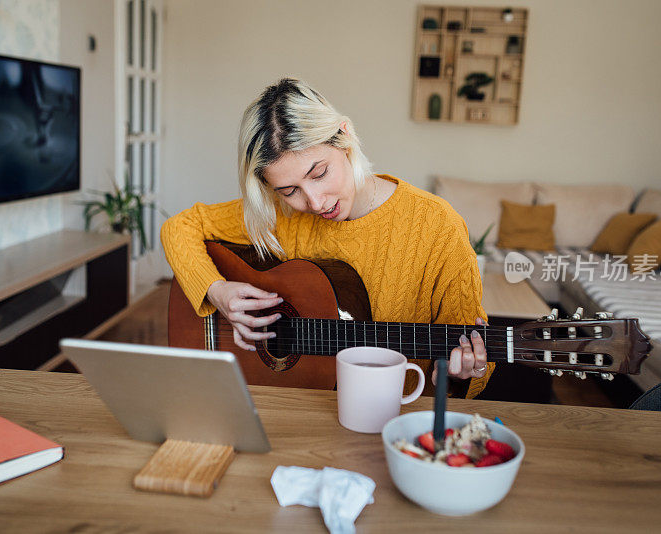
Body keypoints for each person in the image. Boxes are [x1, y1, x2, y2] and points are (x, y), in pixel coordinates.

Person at [161, 77, 492, 398]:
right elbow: (178, 226)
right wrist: (217, 291)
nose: (315, 202)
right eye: (290, 190)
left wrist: (463, 372)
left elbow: (468, 355)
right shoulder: (283, 215)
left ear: (344, 137)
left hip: (398, 421)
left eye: (319, 173)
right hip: (298, 413)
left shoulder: (437, 225)